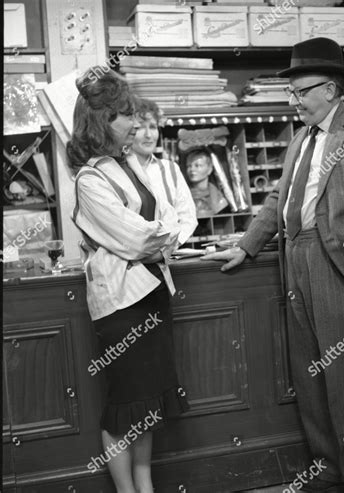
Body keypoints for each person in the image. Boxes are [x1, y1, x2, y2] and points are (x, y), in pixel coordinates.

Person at [202, 38, 344, 493]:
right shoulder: (298, 142)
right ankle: (327, 466)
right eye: (292, 92)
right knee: (310, 374)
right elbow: (277, 201)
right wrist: (247, 247)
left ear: (331, 89)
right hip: (295, 258)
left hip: (338, 262)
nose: (295, 100)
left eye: (301, 91)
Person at [68, 67, 191, 493]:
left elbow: (168, 220)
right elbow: (137, 238)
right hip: (121, 306)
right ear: (103, 121)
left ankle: (145, 485)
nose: (134, 124)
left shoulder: (126, 166)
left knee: (149, 405)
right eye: (124, 116)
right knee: (126, 405)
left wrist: (161, 236)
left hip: (153, 294)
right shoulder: (90, 178)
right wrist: (162, 238)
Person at [128, 97, 197, 243]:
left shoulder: (170, 169)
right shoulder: (119, 171)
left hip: (168, 257)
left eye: (153, 127)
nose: (148, 135)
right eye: (140, 127)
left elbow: (188, 218)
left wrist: (172, 245)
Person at [185, 149, 228, 216]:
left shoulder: (219, 198)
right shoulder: (183, 196)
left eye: (197, 165)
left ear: (210, 169)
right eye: (189, 166)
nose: (192, 169)